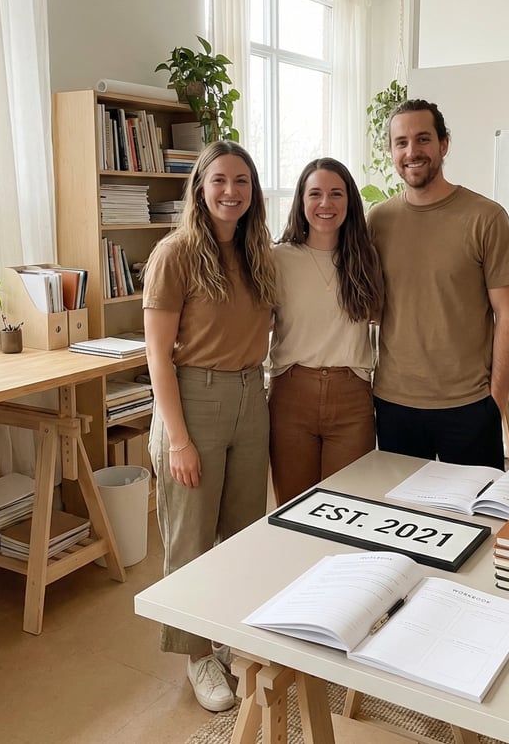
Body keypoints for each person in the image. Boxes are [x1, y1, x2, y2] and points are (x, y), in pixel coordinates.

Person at [142, 140, 276, 712]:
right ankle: (198, 655)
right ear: (199, 186)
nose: (230, 191)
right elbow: (156, 356)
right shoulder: (174, 253)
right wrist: (178, 439)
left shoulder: (256, 251)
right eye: (219, 180)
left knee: (244, 531)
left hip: (252, 394)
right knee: (191, 536)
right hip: (193, 400)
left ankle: (231, 636)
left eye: (241, 181)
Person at [367, 99, 509, 469]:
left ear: (444, 144)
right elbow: (372, 307)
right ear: (391, 151)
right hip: (394, 403)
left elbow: (508, 315)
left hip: (469, 405)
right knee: (403, 520)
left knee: (477, 523)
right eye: (401, 142)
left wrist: (496, 401)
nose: (412, 152)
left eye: (423, 139)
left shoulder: (485, 218)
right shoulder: (378, 220)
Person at [269, 157, 384, 504]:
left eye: (336, 193)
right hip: (291, 394)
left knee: (348, 506)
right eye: (315, 193)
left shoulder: (366, 258)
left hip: (352, 397)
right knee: (294, 507)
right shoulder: (277, 258)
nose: (325, 203)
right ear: (301, 201)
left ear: (349, 201)